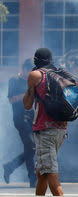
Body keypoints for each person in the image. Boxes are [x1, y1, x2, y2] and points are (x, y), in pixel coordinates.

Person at [23, 48, 67, 196]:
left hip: (45, 131)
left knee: (50, 173)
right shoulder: (59, 74)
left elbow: (27, 104)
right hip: (61, 129)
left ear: (36, 60)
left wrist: (29, 85)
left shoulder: (35, 75)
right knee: (41, 173)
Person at [3, 59, 36, 187]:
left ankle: (10, 166)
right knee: (31, 146)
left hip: (31, 118)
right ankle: (32, 178)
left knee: (32, 149)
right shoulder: (14, 80)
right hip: (20, 119)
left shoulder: (31, 82)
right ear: (24, 69)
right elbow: (12, 99)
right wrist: (28, 93)